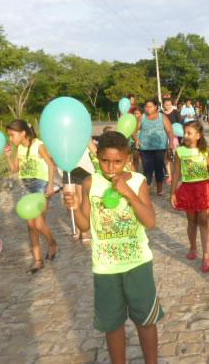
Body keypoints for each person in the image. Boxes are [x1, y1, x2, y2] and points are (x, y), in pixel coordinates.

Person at [64, 131, 163, 364]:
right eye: (105, 161)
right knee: (112, 324)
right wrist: (75, 207)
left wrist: (128, 193)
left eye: (117, 161)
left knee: (146, 320)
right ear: (96, 157)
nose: (110, 167)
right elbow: (84, 225)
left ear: (127, 157)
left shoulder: (138, 181)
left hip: (137, 263)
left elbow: (150, 221)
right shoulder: (90, 183)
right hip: (105, 267)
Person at [5, 119, 57, 274]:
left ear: (23, 133)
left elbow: (50, 165)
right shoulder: (19, 149)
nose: (10, 138)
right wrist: (8, 156)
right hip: (26, 187)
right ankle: (38, 260)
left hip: (41, 185)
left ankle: (52, 243)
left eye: (11, 134)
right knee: (30, 226)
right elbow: (14, 169)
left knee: (39, 224)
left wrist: (50, 185)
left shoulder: (38, 145)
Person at [170, 121, 209, 273]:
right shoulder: (180, 151)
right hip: (188, 189)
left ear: (198, 136)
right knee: (192, 222)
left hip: (203, 188)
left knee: (204, 221)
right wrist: (173, 192)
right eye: (185, 132)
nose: (185, 135)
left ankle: (206, 255)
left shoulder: (205, 150)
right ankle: (193, 246)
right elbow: (177, 172)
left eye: (189, 133)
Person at [137, 98, 175, 196]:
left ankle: (159, 190)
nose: (147, 109)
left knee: (159, 169)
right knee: (147, 170)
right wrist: (136, 139)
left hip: (160, 147)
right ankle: (147, 190)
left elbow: (170, 131)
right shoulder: (142, 117)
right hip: (145, 148)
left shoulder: (162, 117)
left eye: (150, 107)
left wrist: (171, 144)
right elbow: (134, 131)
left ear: (156, 107)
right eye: (146, 107)